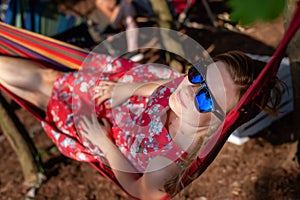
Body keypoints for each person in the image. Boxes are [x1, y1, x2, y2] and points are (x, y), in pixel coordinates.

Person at [0, 50, 283, 199]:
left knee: (45, 100)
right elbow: (164, 86)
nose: (187, 89)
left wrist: (104, 143)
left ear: (221, 124)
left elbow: (139, 192)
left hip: (110, 139)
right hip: (122, 103)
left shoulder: (169, 164)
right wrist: (125, 91)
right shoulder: (183, 91)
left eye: (207, 99)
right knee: (50, 79)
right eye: (198, 75)